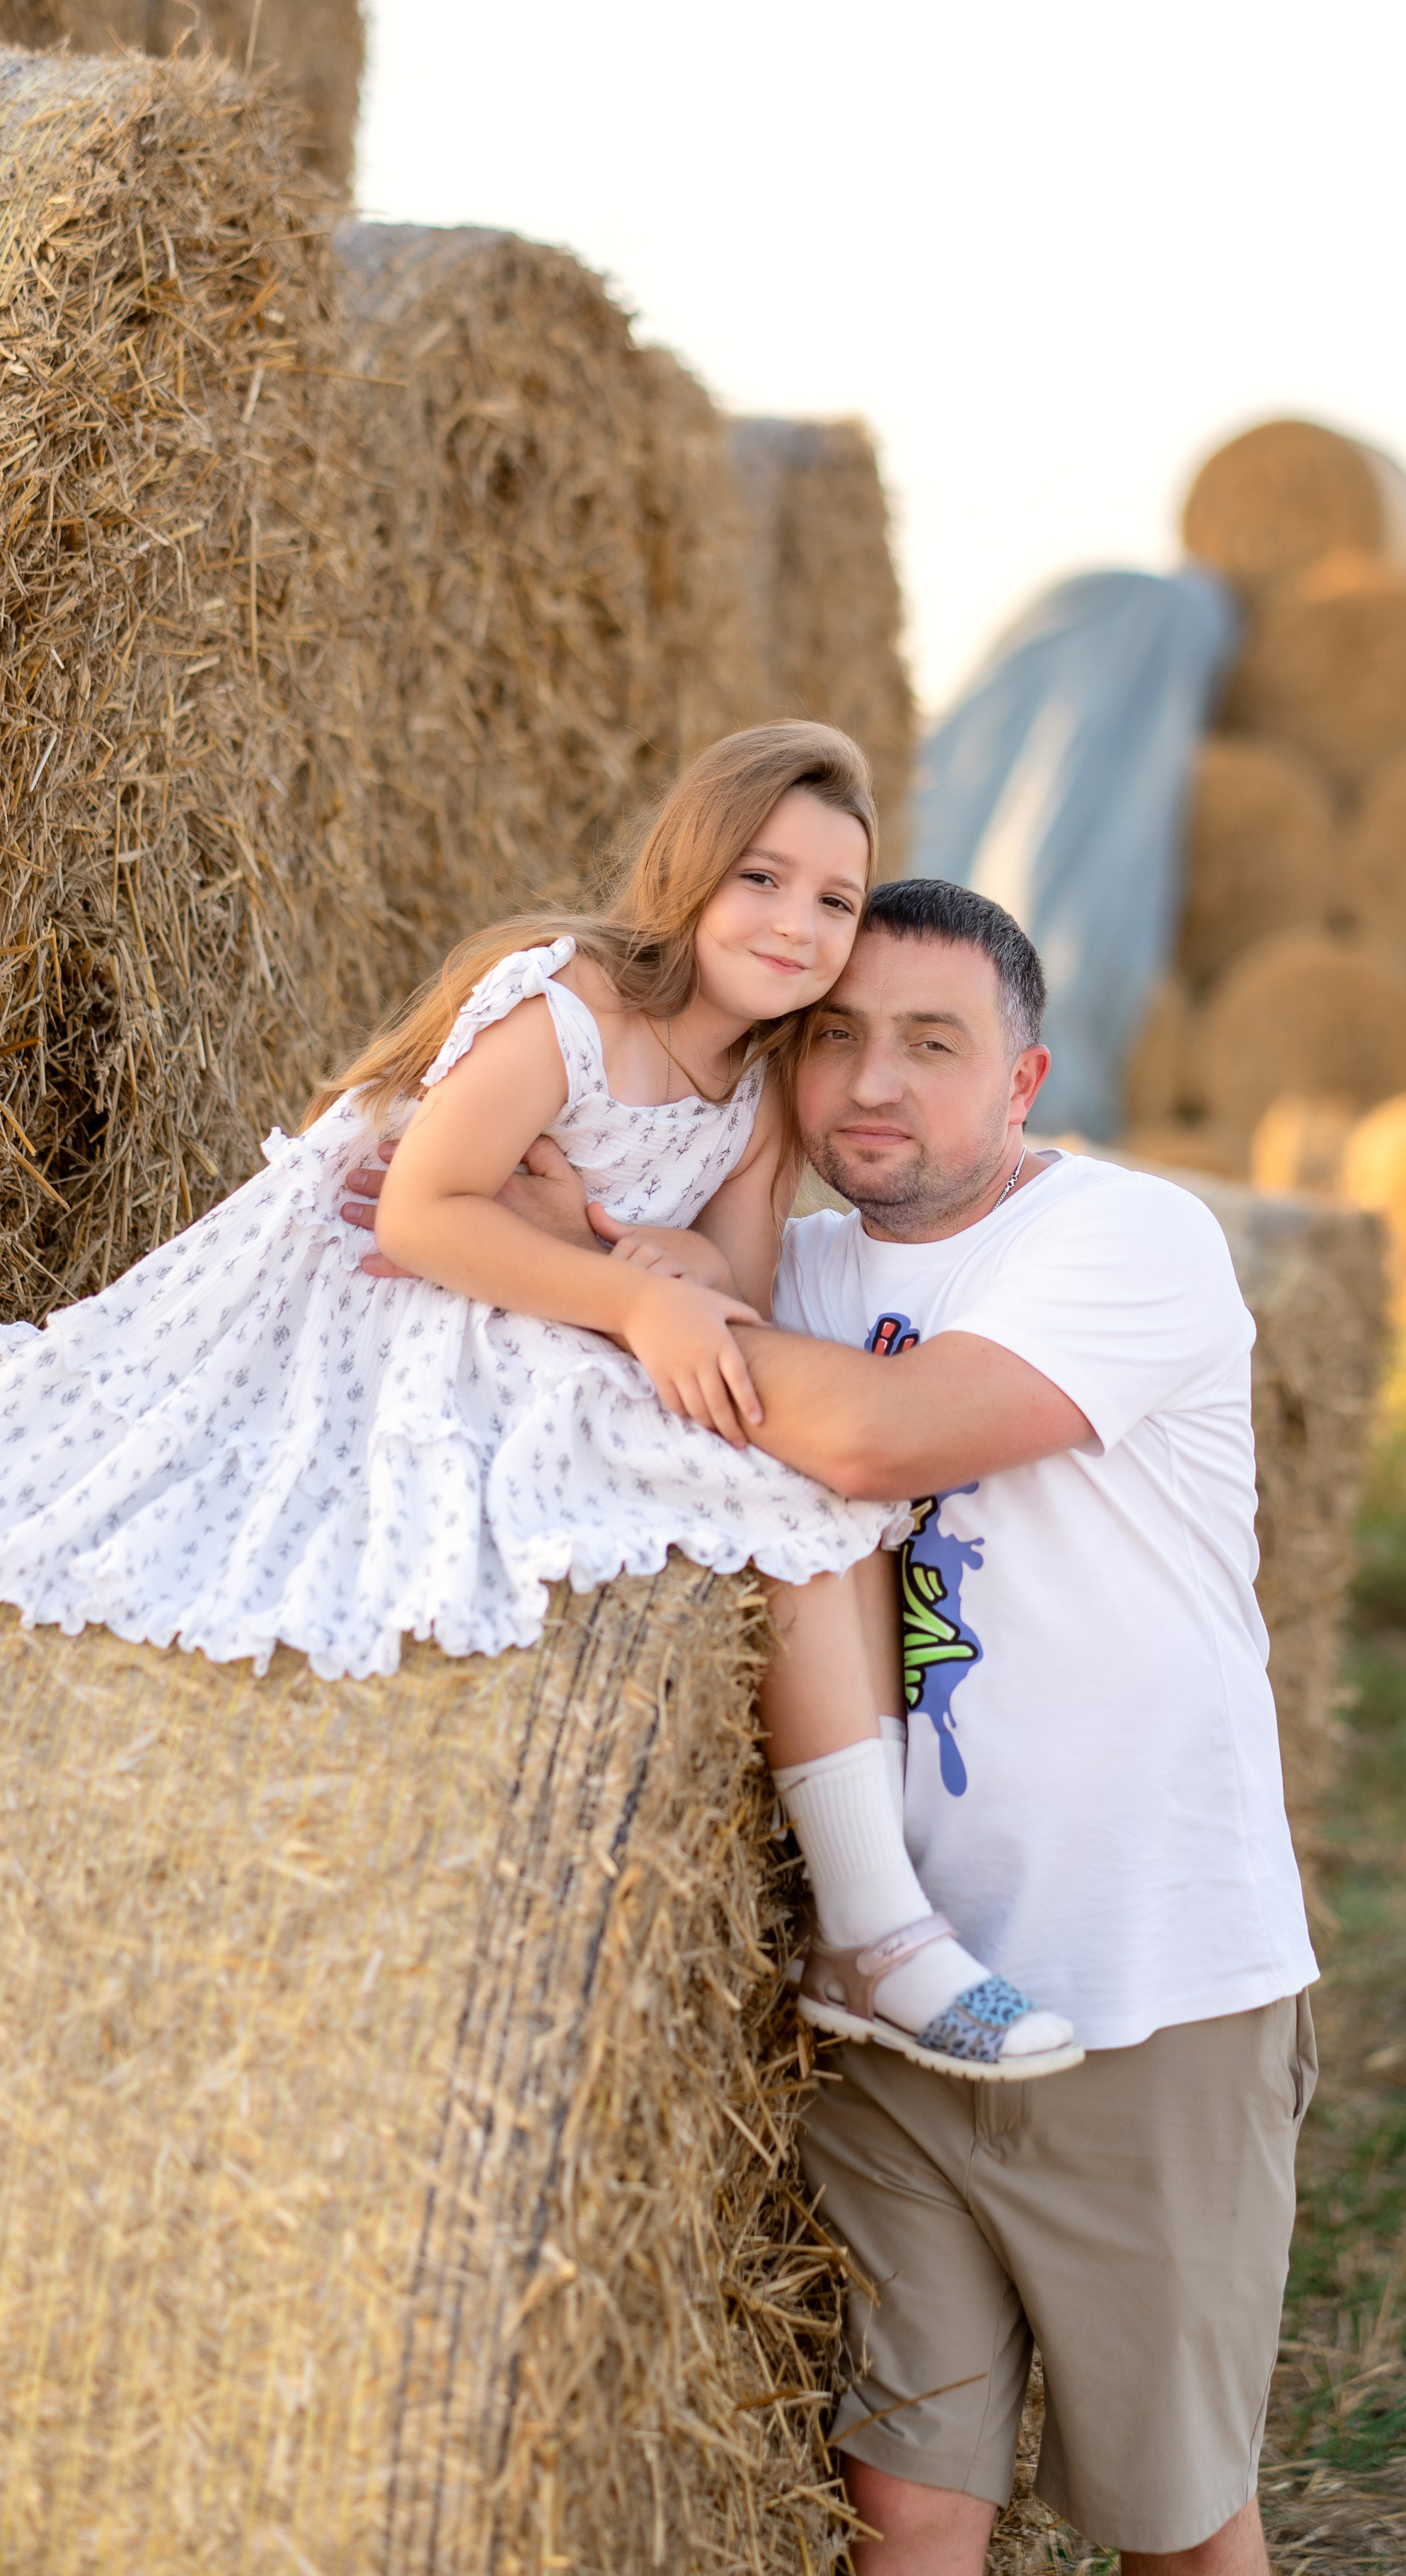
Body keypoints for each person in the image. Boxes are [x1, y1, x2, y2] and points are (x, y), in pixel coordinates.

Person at [365, 876, 1319, 2575]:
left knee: (1173, 2522)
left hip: (1140, 1992)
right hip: (888, 2002)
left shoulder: (1127, 1239)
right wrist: (538, 1234)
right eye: (837, 1040)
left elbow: (873, 1440)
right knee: (907, 2503)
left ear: (1020, 1082)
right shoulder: (779, 1264)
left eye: (930, 1045)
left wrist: (632, 1299)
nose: (872, 1082)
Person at [0, 724, 1077, 2083]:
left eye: (835, 899)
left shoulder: (764, 1087)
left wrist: (627, 1251)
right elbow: (418, 1211)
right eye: (763, 878)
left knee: (802, 1495)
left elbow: (740, 1279)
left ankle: (876, 1925)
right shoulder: (571, 1003)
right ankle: (879, 1930)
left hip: (549, 1287)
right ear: (691, 869)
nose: (798, 922)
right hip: (386, 1291)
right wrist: (637, 1292)